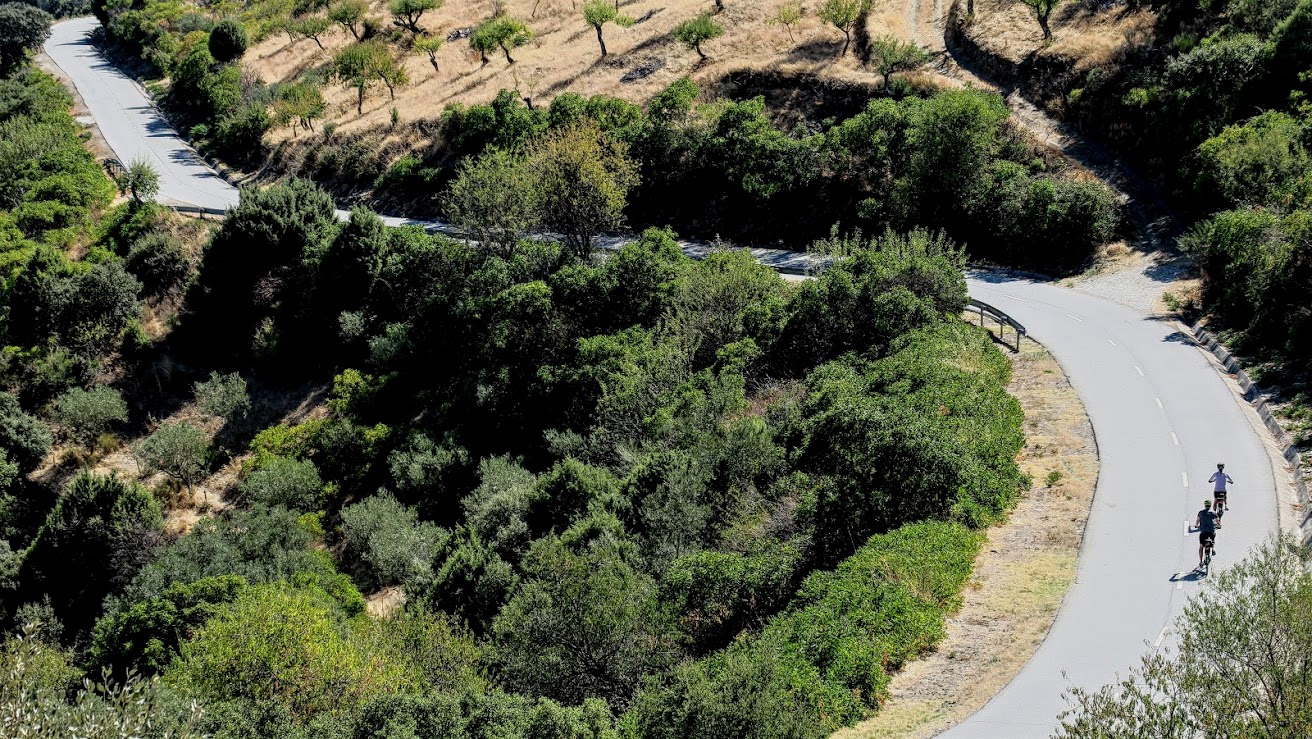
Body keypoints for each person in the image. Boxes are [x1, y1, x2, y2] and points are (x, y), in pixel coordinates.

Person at [1194, 500, 1218, 569]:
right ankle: (1213, 550)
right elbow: (1217, 521)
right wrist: (1218, 526)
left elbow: (1198, 520)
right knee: (1213, 539)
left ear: (1205, 505)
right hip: (1211, 532)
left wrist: (1196, 525)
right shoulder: (1213, 513)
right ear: (1210, 505)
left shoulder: (1200, 513)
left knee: (1201, 546)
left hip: (1203, 532)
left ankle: (1201, 561)